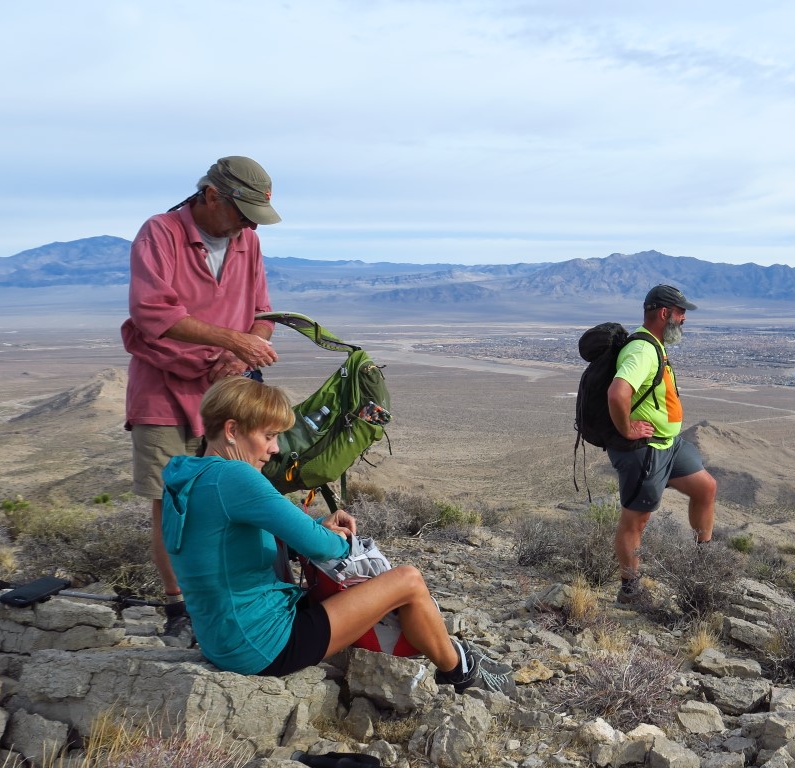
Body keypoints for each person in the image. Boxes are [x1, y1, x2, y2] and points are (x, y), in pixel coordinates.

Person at [160, 377, 514, 692]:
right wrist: (332, 536)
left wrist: (313, 528)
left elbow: (226, 546)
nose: (275, 449)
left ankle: (454, 656)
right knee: (407, 581)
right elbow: (321, 547)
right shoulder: (234, 477)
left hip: (221, 639)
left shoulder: (186, 477)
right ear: (233, 430)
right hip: (262, 645)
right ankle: (461, 671)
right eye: (268, 436)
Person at [122, 156, 283, 638]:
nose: (250, 224)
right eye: (243, 211)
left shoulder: (247, 241)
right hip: (162, 390)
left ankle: (238, 596)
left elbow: (263, 314)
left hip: (227, 389)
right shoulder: (160, 234)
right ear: (211, 195)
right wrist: (232, 342)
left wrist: (242, 353)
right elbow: (153, 312)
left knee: (239, 491)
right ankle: (179, 609)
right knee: (170, 501)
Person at [607, 284, 718, 604]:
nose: (684, 318)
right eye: (681, 312)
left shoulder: (656, 345)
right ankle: (630, 590)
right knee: (636, 520)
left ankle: (704, 561)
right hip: (645, 450)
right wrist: (627, 429)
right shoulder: (642, 349)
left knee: (705, 488)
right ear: (664, 313)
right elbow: (617, 393)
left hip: (668, 445)